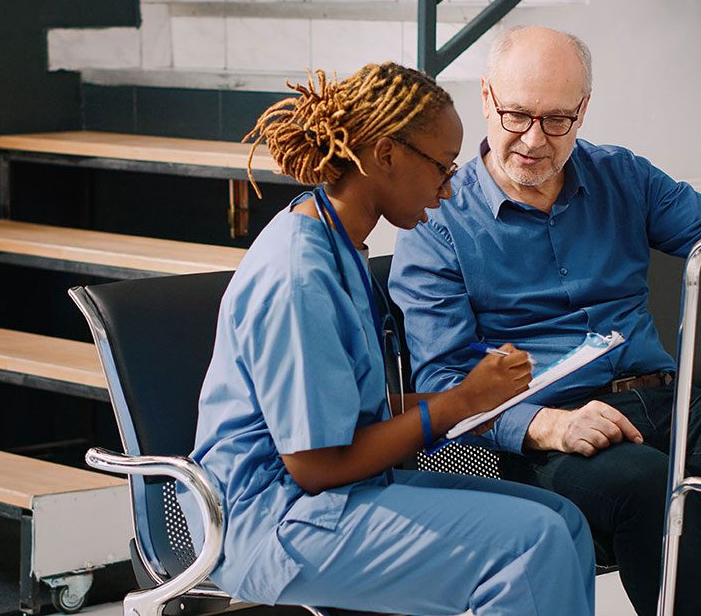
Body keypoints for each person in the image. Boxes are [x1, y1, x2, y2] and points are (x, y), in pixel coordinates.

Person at [389, 25, 701, 616]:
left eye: (557, 120)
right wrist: (547, 425)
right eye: (517, 115)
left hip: (665, 400)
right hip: (551, 433)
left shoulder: (621, 177)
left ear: (584, 110)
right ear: (487, 98)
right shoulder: (437, 224)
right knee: (653, 488)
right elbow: (446, 382)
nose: (533, 140)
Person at [183, 62, 596, 616]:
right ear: (385, 155)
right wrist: (459, 403)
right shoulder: (298, 275)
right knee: (531, 545)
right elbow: (316, 463)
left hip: (330, 496)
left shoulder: (338, 242)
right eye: (442, 169)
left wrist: (477, 395)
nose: (449, 190)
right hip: (272, 523)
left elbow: (348, 409)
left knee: (564, 523)